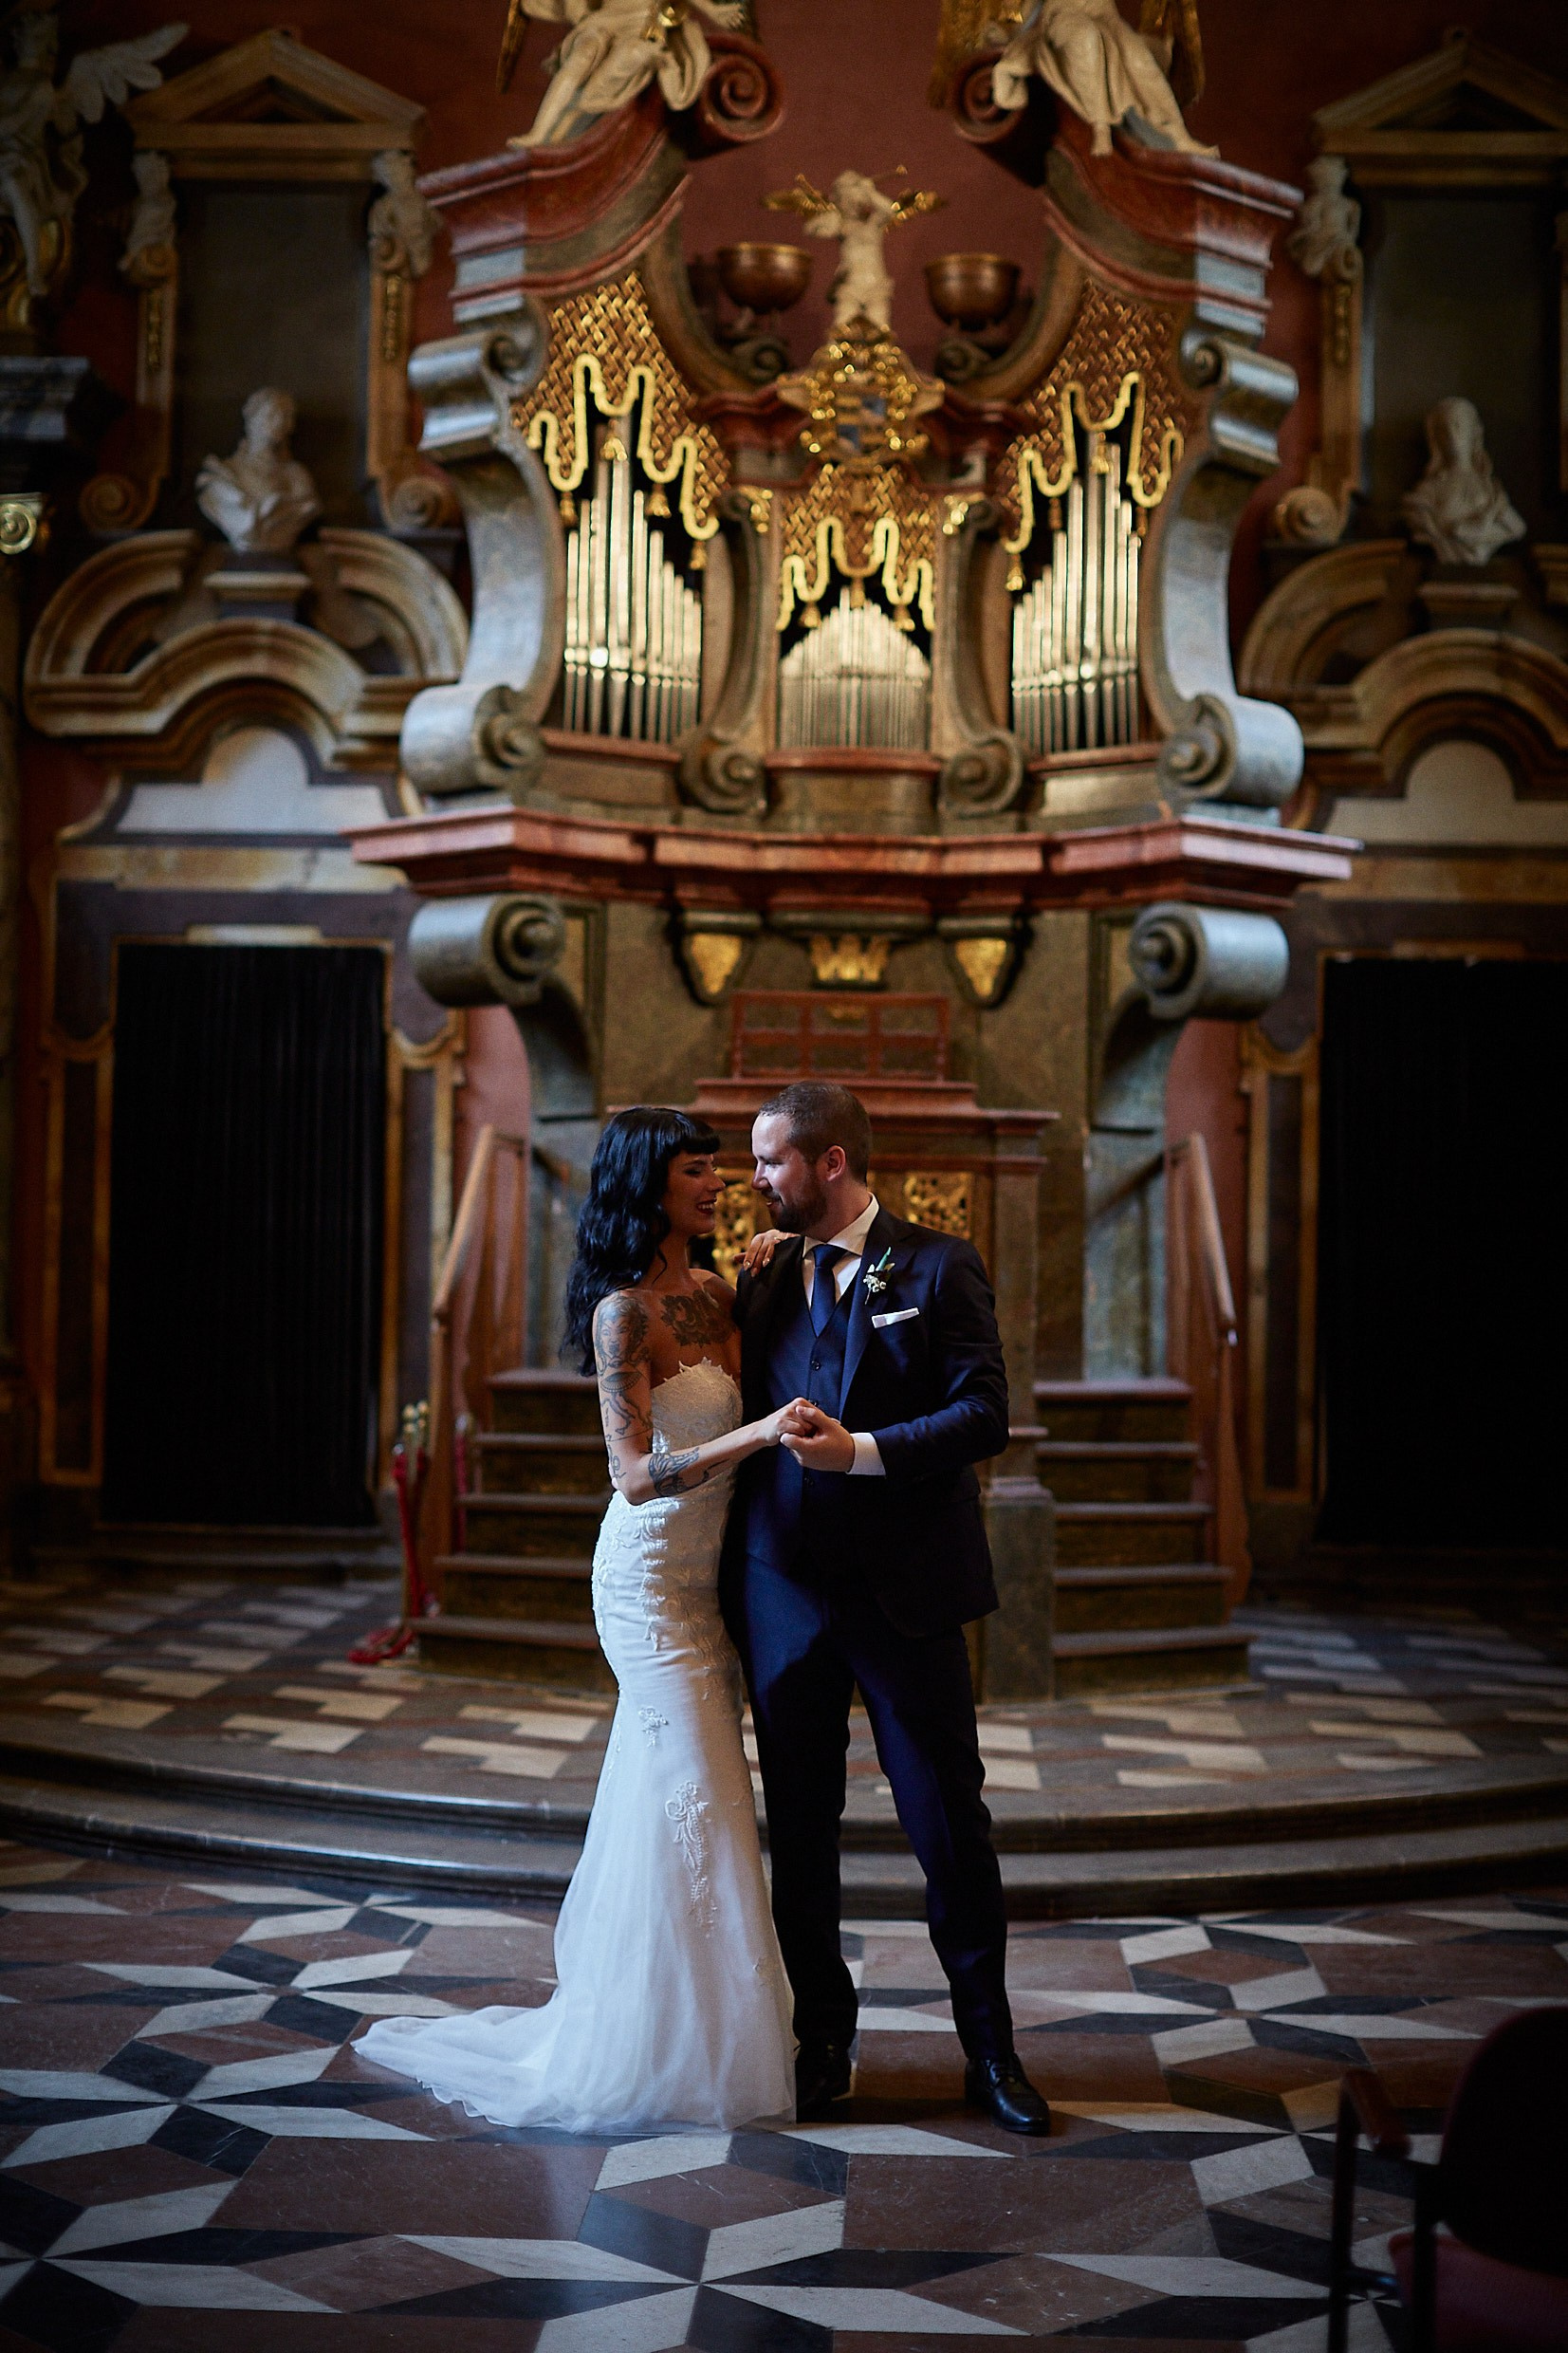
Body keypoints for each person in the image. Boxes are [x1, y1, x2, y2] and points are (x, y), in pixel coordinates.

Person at [357, 1107, 804, 2132]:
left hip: (711, 1582)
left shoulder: (718, 1291)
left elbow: (773, 1357)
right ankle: (657, 2053)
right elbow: (637, 1477)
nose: (718, 1183)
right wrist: (760, 1434)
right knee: (697, 1784)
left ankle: (699, 2034)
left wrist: (774, 1269)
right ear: (650, 1185)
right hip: (646, 1583)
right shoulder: (623, 1316)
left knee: (698, 1796)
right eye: (698, 1170)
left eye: (719, 1169)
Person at [723, 1080, 1052, 2135]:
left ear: (829, 1162)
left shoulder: (940, 1263)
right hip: (784, 1591)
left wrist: (862, 1452)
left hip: (904, 1593)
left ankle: (989, 2049)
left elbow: (985, 1411)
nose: (756, 1178)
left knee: (949, 1826)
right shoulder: (765, 1275)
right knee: (802, 1834)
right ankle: (824, 2038)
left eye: (772, 1161)